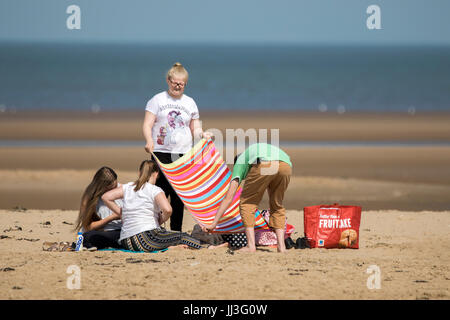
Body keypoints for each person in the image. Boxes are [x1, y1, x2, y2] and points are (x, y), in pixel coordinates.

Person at [142, 62, 212, 232]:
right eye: (175, 82)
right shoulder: (157, 100)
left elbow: (195, 127)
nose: (178, 85)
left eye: (181, 83)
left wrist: (203, 134)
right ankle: (153, 227)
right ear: (168, 80)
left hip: (183, 155)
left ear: (185, 84)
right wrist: (148, 140)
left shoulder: (190, 103)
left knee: (179, 195)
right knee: (158, 191)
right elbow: (147, 124)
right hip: (161, 153)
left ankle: (176, 231)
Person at [202, 143, 292, 253]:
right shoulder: (252, 153)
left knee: (247, 203)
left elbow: (228, 198)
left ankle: (250, 246)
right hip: (286, 165)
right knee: (276, 205)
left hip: (264, 163)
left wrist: (213, 224)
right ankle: (281, 247)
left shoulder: (240, 163)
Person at [101, 160, 202, 252]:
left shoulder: (128, 187)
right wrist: (161, 220)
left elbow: (106, 197)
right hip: (144, 239)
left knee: (163, 235)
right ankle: (200, 246)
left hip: (126, 241)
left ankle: (170, 247)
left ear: (139, 173)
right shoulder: (154, 190)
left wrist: (122, 213)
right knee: (183, 236)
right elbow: (168, 210)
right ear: (156, 174)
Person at [74, 166, 123, 249]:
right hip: (102, 232)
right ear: (102, 188)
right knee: (87, 237)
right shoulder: (90, 197)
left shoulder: (123, 190)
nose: (114, 190)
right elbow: (88, 227)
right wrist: (111, 218)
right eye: (111, 188)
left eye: (115, 186)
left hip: (122, 231)